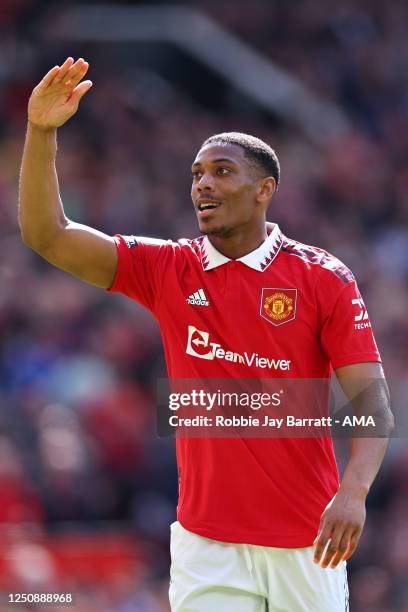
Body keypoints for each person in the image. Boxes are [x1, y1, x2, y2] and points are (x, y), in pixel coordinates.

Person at [19, 57, 393, 611]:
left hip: (304, 541)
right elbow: (47, 235)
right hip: (205, 543)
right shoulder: (167, 268)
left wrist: (355, 492)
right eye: (196, 173)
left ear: (264, 190)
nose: (203, 184)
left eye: (222, 171)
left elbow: (370, 397)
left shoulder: (322, 277)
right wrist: (41, 130)